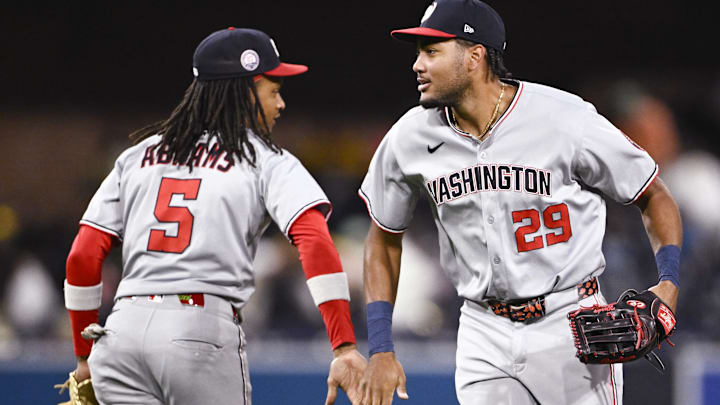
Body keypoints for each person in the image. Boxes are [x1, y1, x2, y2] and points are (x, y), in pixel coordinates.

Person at [356, 1, 682, 404]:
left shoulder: (563, 119)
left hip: (570, 324)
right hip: (482, 329)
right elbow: (383, 238)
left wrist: (668, 282)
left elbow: (654, 194)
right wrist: (382, 346)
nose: (417, 65)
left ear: (474, 56)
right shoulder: (408, 138)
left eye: (432, 51)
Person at [60, 27, 366, 405]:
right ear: (246, 90)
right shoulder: (265, 159)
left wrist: (83, 356)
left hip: (120, 332)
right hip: (198, 329)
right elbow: (315, 240)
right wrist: (344, 345)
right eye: (274, 90)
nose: (281, 104)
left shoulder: (137, 156)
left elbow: (83, 255)